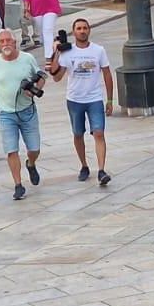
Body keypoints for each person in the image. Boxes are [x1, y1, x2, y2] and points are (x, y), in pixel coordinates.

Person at [48, 18, 113, 186]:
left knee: (98, 132)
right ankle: (84, 165)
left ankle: (101, 170)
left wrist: (110, 99)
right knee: (78, 134)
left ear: (89, 30)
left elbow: (107, 73)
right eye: (79, 28)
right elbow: (56, 77)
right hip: (74, 99)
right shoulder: (67, 52)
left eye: (85, 28)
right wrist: (56, 51)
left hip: (94, 98)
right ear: (74, 31)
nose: (82, 31)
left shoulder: (99, 50)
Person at [0, 29, 46, 201]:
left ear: (15, 42)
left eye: (8, 41)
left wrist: (35, 90)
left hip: (27, 111)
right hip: (6, 113)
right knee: (11, 150)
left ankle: (31, 163)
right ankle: (18, 185)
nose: (5, 44)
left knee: (34, 148)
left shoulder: (27, 59)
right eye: (2, 42)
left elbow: (42, 76)